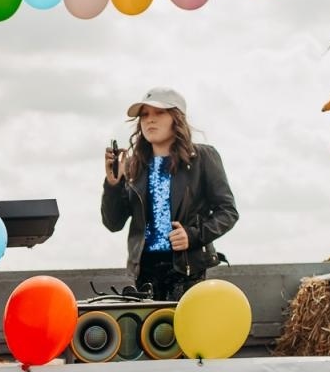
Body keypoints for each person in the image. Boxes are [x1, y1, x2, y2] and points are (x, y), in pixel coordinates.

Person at [101, 87, 238, 301]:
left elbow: (228, 211)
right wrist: (113, 185)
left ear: (177, 118)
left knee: (186, 333)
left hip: (187, 271)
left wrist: (192, 235)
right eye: (144, 115)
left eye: (159, 113)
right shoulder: (135, 167)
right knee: (152, 333)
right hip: (144, 272)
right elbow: (113, 223)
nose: (150, 120)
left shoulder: (203, 157)